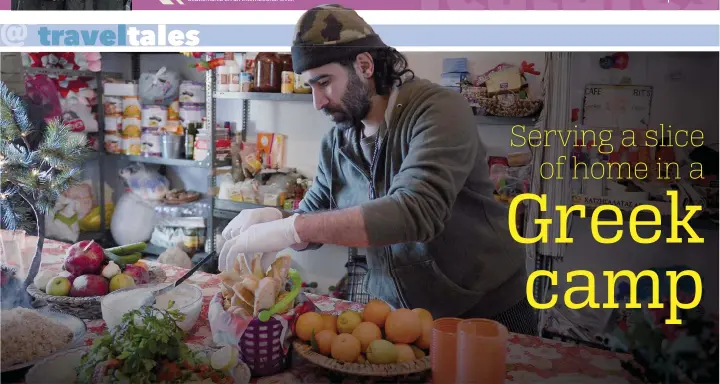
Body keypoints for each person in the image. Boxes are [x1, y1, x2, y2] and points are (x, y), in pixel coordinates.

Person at [219, 4, 536, 335]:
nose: (317, 102)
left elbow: (417, 211)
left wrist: (293, 229)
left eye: (324, 82)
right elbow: (314, 214)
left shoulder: (437, 110)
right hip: (398, 314)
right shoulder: (338, 142)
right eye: (310, 86)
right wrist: (274, 220)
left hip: (484, 311)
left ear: (365, 65)